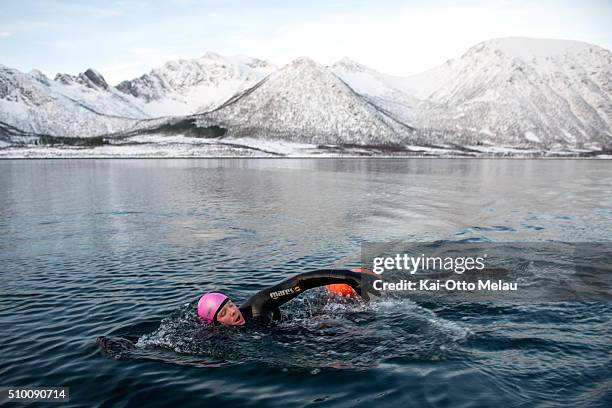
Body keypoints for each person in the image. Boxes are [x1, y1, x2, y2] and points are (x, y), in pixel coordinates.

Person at [198, 268, 379, 326]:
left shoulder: (258, 305)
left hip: (303, 325)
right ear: (215, 324)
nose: (232, 312)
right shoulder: (218, 340)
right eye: (223, 314)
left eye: (230, 305)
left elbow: (300, 282)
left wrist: (349, 277)